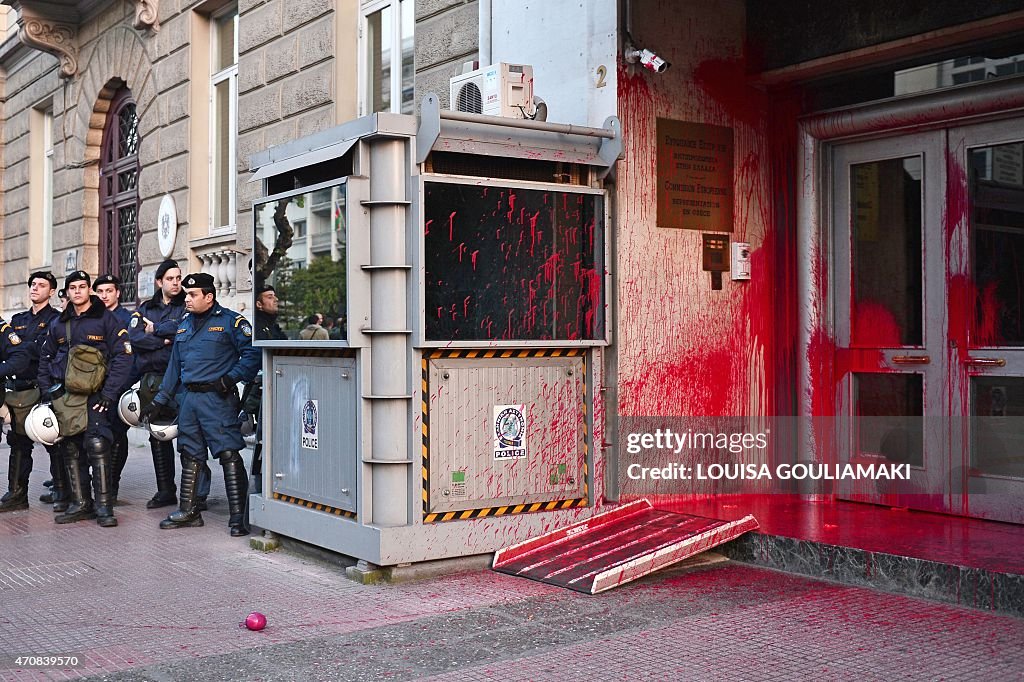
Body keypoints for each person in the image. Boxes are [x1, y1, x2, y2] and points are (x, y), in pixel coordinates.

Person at [142, 273, 260, 536]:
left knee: (228, 454)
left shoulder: (231, 322)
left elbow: (253, 354)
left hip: (217, 400)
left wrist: (230, 379)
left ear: (209, 296)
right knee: (190, 455)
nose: (187, 299)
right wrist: (160, 400)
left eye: (193, 295)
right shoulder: (183, 326)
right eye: (186, 294)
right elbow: (174, 367)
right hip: (189, 400)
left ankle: (239, 516)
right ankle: (189, 511)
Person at [38, 271, 133, 527]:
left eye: (82, 287)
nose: (77, 291)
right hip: (66, 398)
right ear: (67, 292)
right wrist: (49, 393)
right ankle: (80, 504)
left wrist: (109, 394)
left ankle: (104, 508)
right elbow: (45, 358)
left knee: (98, 446)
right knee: (70, 448)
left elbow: (124, 357)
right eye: (73, 287)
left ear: (89, 289)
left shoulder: (106, 319)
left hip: (97, 396)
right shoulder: (59, 323)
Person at [128, 259, 212, 509]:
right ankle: (165, 490)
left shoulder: (187, 305)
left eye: (178, 278)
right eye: (171, 279)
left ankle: (197, 493)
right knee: (157, 435)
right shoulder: (145, 309)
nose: (176, 283)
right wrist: (161, 340)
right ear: (159, 282)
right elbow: (134, 339)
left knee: (190, 435)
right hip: (152, 380)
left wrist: (155, 333)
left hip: (181, 380)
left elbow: (181, 332)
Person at [2, 271, 62, 512]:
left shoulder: (57, 320)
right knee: (18, 442)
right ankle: (17, 493)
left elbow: (41, 351)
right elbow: (13, 352)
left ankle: (61, 489)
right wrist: (29, 347)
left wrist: (24, 347)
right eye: (33, 284)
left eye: (41, 285)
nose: (35, 288)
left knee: (53, 440)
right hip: (20, 390)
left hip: (43, 387)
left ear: (52, 291)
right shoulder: (17, 319)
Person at [94, 274, 139, 503]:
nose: (104, 296)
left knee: (117, 437)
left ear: (118, 293)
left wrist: (120, 386)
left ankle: (112, 485)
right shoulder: (92, 318)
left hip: (119, 386)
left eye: (109, 291)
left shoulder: (127, 318)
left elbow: (132, 354)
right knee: (97, 437)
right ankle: (99, 485)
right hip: (96, 387)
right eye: (100, 292)